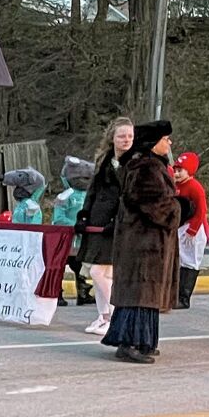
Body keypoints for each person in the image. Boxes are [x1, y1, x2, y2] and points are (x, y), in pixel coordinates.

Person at [101, 120, 181, 364]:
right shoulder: (146, 168)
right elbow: (155, 205)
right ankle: (128, 342)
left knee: (146, 294)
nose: (169, 143)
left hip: (148, 242)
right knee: (139, 293)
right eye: (165, 138)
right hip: (142, 244)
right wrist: (181, 208)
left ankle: (144, 340)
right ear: (153, 142)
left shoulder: (151, 165)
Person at [78, 117, 131, 334]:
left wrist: (116, 220)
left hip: (117, 225)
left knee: (100, 272)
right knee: (97, 271)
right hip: (97, 223)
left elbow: (128, 196)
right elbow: (93, 190)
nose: (126, 140)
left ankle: (114, 315)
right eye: (121, 136)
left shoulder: (134, 163)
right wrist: (83, 215)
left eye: (129, 136)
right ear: (113, 138)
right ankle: (103, 316)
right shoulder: (105, 160)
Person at [172, 150, 209, 307]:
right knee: (180, 259)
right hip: (181, 227)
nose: (177, 173)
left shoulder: (195, 187)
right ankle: (176, 294)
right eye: (175, 170)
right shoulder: (176, 186)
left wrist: (192, 230)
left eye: (180, 170)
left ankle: (184, 297)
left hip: (194, 229)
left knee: (190, 261)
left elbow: (201, 211)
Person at [55, 157, 93, 302]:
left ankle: (82, 292)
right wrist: (73, 225)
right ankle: (57, 292)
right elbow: (59, 218)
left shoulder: (89, 196)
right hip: (66, 239)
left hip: (82, 239)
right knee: (60, 266)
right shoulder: (65, 196)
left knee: (80, 267)